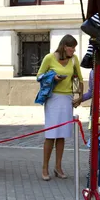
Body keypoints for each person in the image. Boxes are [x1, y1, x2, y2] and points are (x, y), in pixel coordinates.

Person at [37, 35, 83, 181]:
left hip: (67, 98)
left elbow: (78, 78)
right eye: (71, 47)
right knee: (51, 134)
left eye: (75, 47)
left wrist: (78, 96)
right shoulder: (49, 58)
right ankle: (45, 167)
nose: (73, 50)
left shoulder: (74, 59)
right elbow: (39, 76)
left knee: (62, 134)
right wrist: (53, 77)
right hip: (53, 98)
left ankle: (58, 166)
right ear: (64, 46)